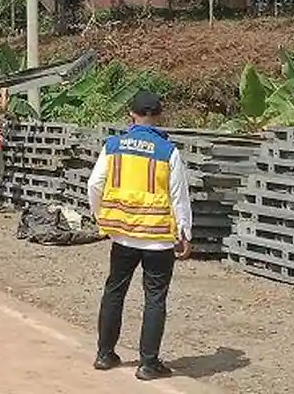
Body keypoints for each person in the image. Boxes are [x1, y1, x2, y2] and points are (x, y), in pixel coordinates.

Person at [87, 90, 192, 382]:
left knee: (114, 291)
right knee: (155, 297)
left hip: (122, 236)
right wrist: (184, 233)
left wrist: (102, 217)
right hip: (158, 238)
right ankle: (148, 363)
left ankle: (105, 354)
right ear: (158, 116)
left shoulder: (113, 145)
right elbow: (179, 196)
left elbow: (94, 185)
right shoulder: (167, 151)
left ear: (131, 114)